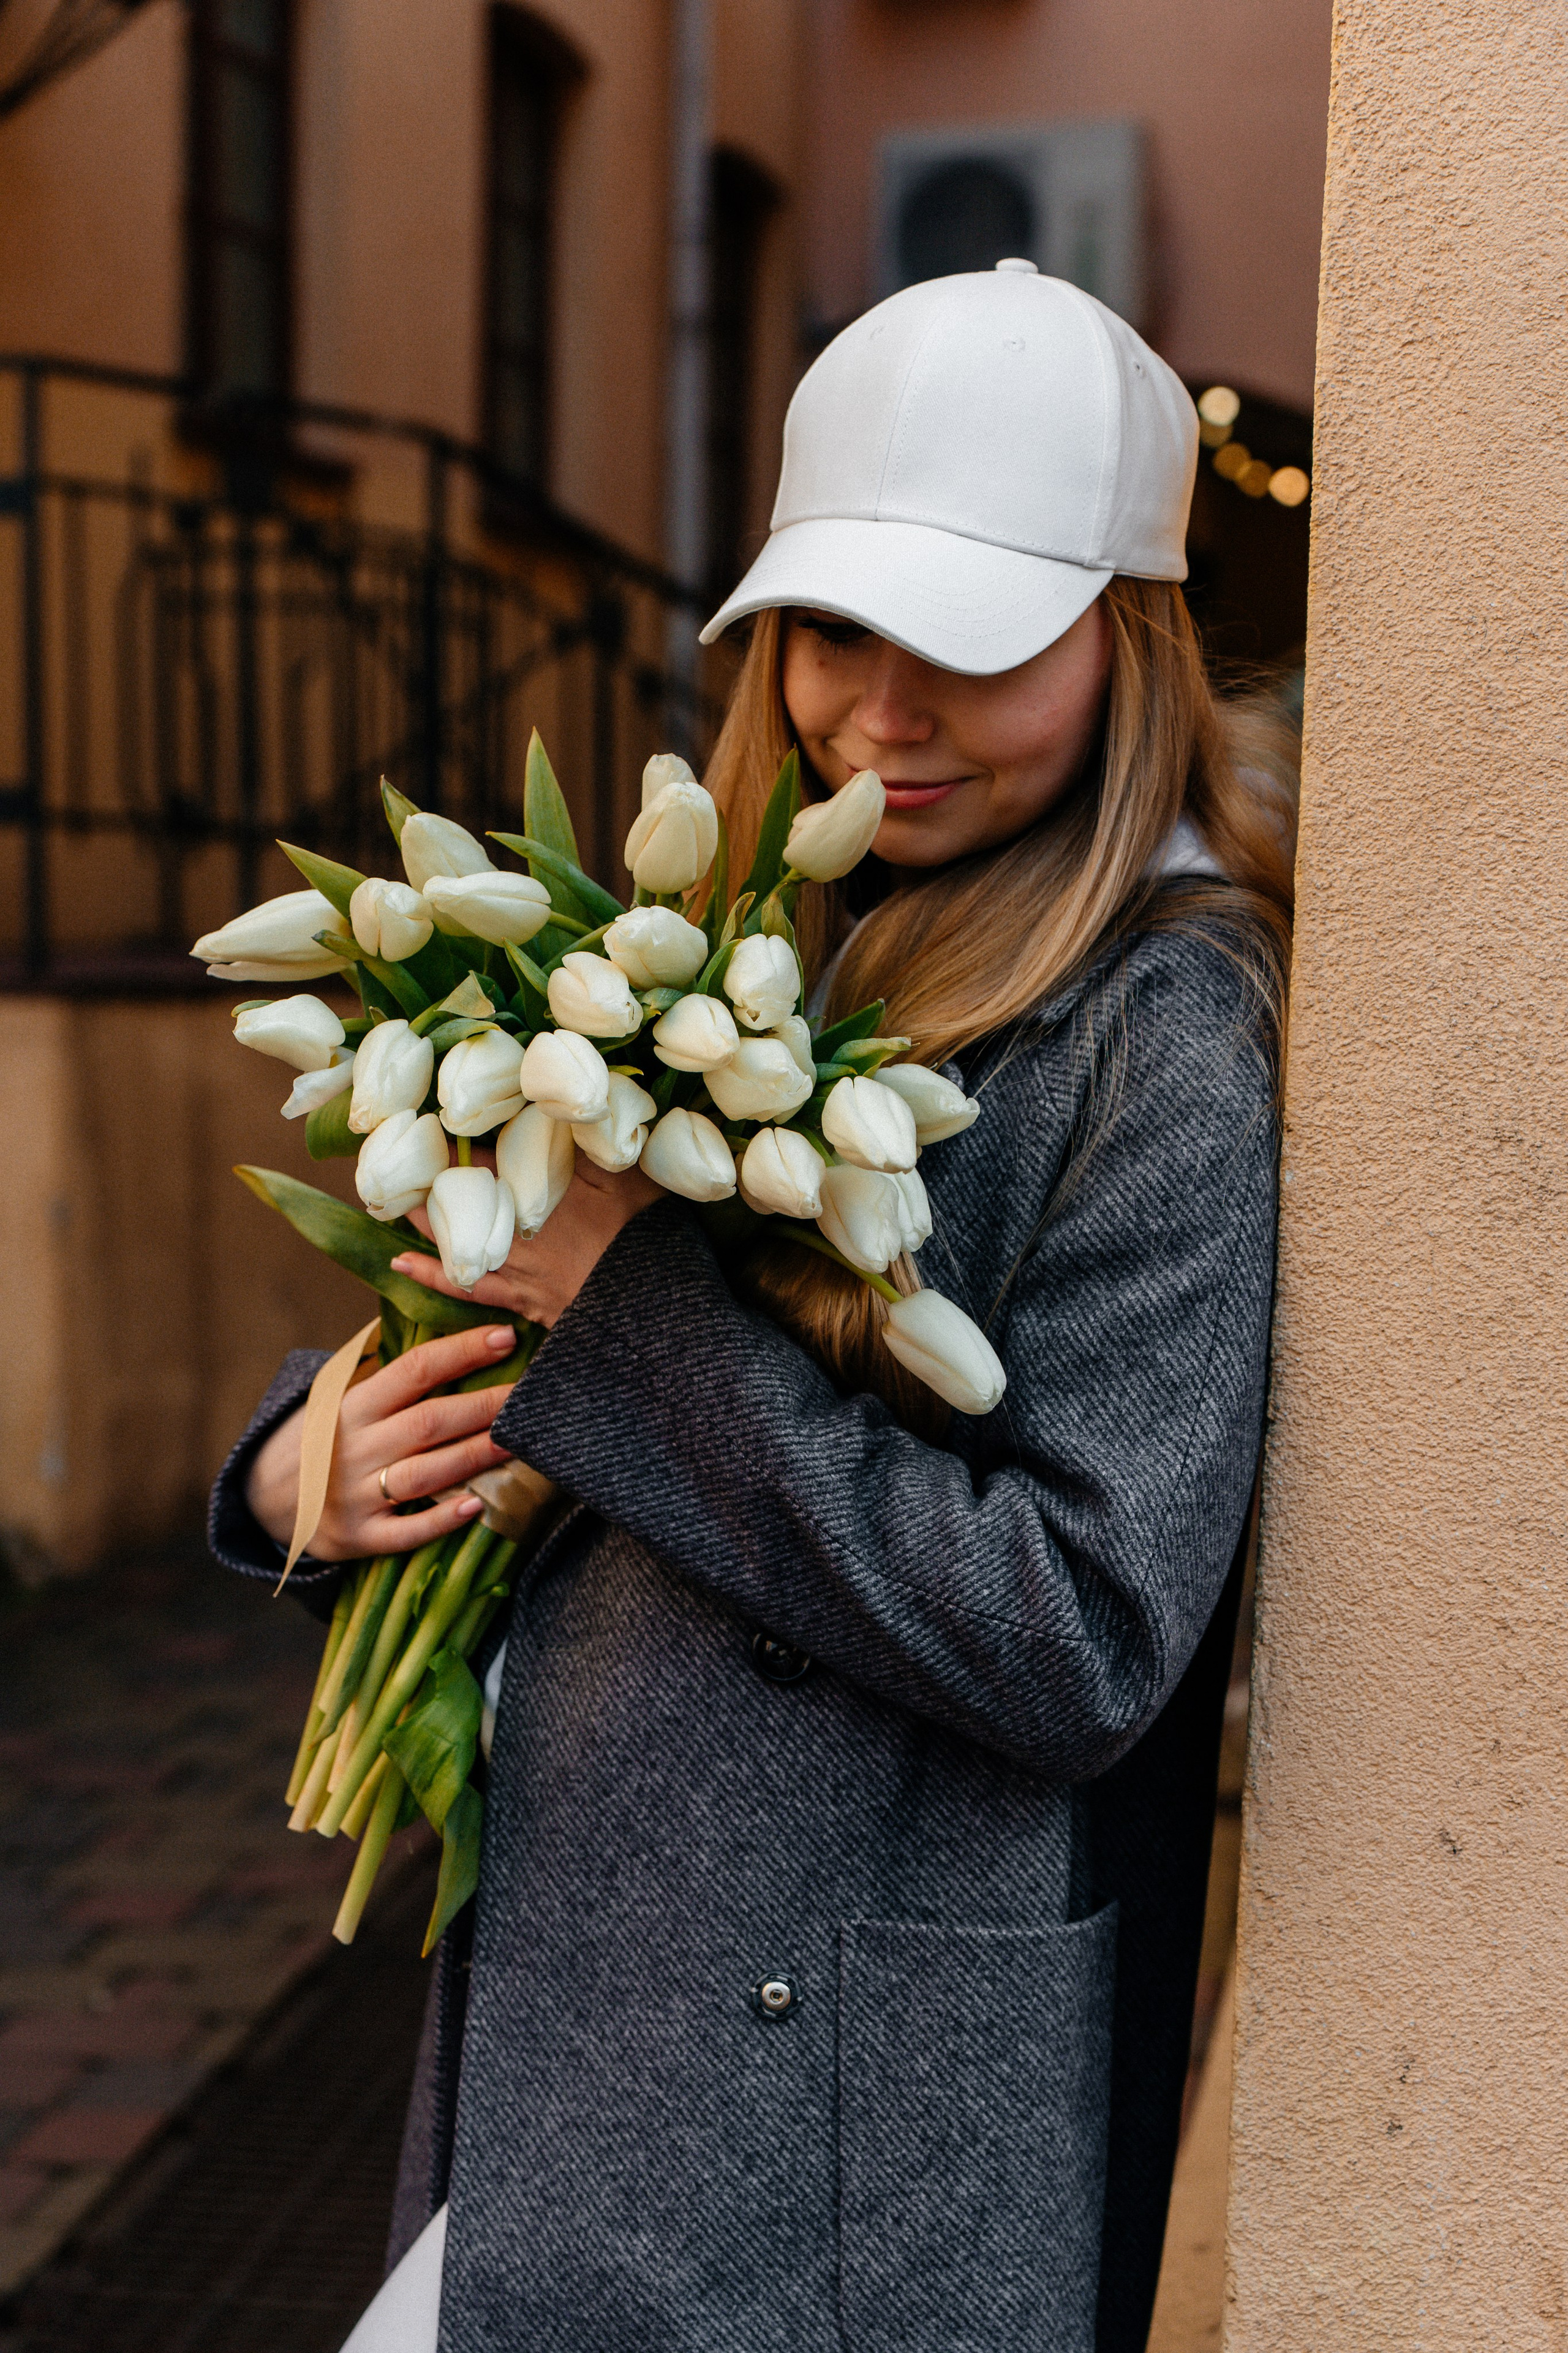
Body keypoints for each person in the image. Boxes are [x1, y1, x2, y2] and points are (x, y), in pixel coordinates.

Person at [211, 262, 1295, 2353]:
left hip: (836, 2152)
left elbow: (1084, 1628)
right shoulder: (745, 924)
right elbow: (533, 1361)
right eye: (830, 629)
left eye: (971, 646)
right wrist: (299, 1465)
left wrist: (625, 1318)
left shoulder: (1169, 1028)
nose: (881, 711)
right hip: (591, 2044)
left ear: (1133, 634)